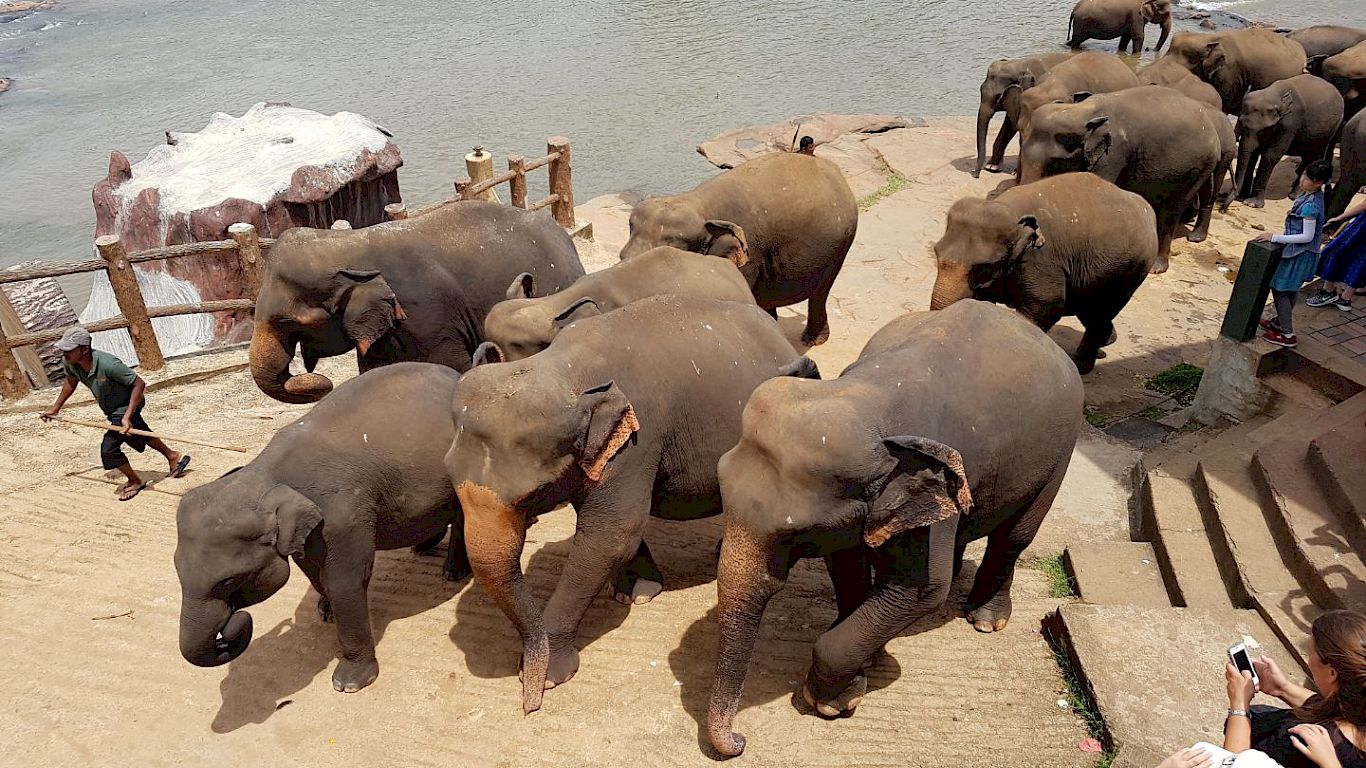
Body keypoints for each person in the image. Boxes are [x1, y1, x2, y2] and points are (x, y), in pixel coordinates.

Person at [39, 327, 190, 500]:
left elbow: (139, 384)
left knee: (109, 450)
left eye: (68, 350)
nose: (64, 354)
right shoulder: (71, 363)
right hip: (112, 409)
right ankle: (172, 456)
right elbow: (71, 383)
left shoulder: (108, 364)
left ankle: (135, 481)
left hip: (127, 406)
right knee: (138, 431)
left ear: (84, 349)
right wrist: (56, 408)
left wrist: (126, 416)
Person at [1223, 610, 1366, 768]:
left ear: (1332, 673)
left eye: (1310, 653)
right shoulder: (1357, 710)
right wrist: (1283, 688)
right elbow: (1330, 705)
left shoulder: (1306, 743)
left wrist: (1239, 705)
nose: (1309, 660)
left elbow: (1232, 763)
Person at [1256, 160, 1335, 348]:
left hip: (1298, 255)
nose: (1303, 179)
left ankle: (1287, 334)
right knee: (1290, 289)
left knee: (1281, 289)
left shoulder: (1310, 206)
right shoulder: (1313, 197)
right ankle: (1279, 322)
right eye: (1304, 175)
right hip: (1301, 254)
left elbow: (1306, 236)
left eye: (1307, 178)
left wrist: (1274, 237)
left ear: (1318, 182)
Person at [1306, 196, 1366, 312]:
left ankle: (1328, 292)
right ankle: (1345, 298)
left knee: (1336, 252)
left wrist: (1341, 217)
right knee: (1361, 262)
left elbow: (1364, 205)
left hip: (1362, 228)